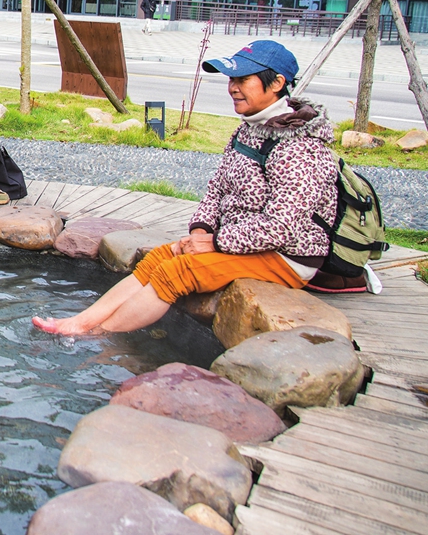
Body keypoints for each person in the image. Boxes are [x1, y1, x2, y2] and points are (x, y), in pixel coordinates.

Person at [33, 40, 338, 336]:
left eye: (243, 80)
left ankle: (97, 334)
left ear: (277, 83)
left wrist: (215, 243)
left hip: (285, 256)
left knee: (177, 273)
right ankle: (81, 321)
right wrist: (201, 232)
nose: (233, 88)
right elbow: (217, 188)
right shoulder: (249, 128)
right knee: (159, 258)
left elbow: (280, 228)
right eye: (231, 79)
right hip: (238, 241)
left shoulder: (301, 147)